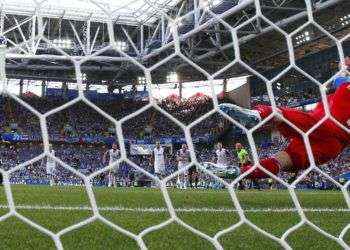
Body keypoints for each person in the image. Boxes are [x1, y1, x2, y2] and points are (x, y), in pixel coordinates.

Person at [217, 58, 350, 181]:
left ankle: (259, 114)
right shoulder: (339, 94)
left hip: (322, 124)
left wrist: (343, 68)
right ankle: (239, 172)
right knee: (284, 159)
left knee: (281, 115)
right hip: (333, 147)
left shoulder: (344, 91)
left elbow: (341, 81)